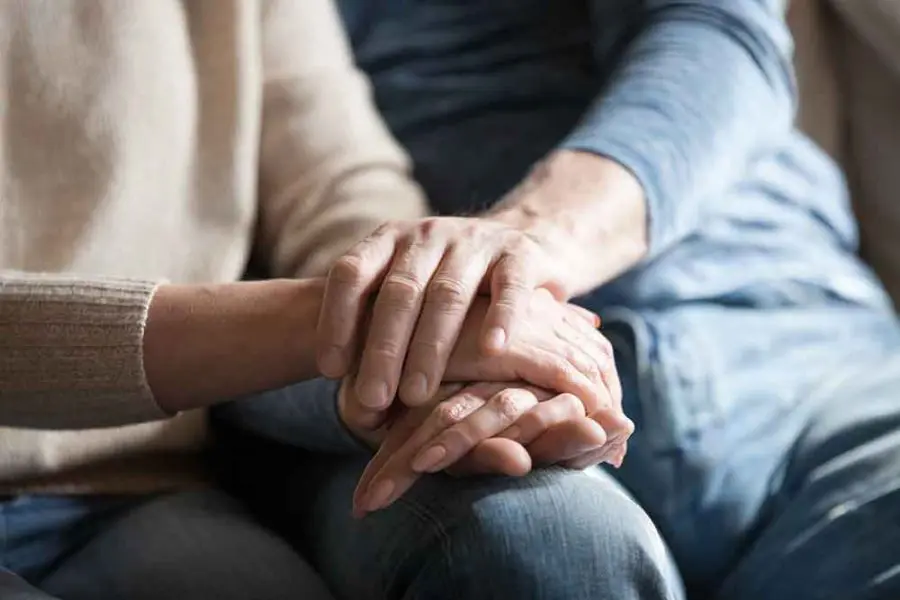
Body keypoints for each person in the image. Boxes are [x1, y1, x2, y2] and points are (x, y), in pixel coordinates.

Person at [220, 1, 900, 599]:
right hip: (416, 417)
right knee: (543, 551)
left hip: (796, 351)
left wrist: (528, 245)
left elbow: (720, 36)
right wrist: (411, 359)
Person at [0, 1, 627, 598]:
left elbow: (336, 183)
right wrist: (357, 322)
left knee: (564, 533)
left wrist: (438, 329)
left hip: (134, 490)